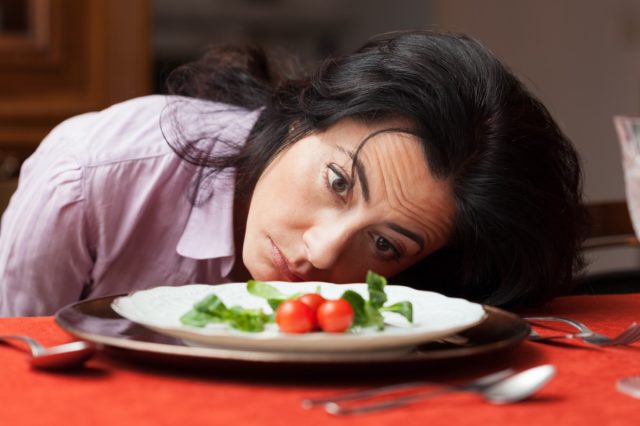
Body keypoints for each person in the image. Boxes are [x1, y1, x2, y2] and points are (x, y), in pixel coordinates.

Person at [0, 30, 587, 316]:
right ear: (301, 113)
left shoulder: (411, 295)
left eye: (384, 242)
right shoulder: (88, 177)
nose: (322, 253)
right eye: (338, 182)